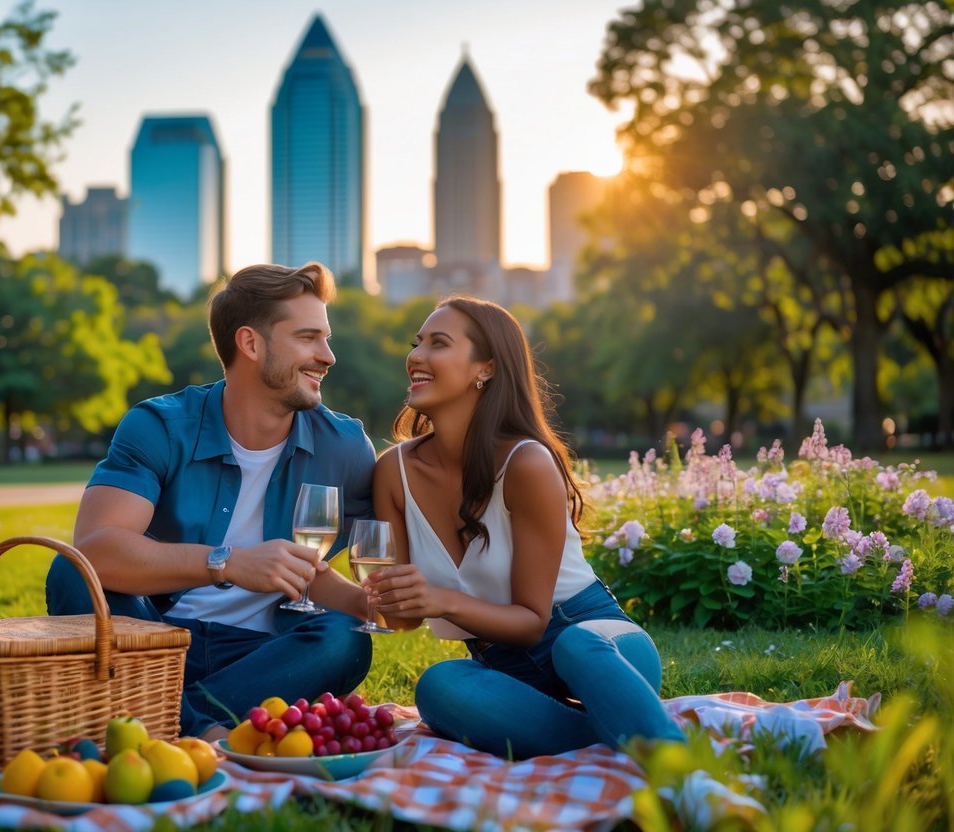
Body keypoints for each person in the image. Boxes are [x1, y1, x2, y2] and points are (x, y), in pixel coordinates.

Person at [46, 262, 376, 741]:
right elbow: (95, 550)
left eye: (326, 338)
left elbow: (372, 579)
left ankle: (158, 718)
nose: (328, 356)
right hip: (152, 636)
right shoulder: (159, 425)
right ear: (250, 343)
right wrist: (227, 563)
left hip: (266, 657)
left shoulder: (343, 445)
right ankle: (203, 727)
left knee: (344, 640)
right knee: (71, 573)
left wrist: (373, 601)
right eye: (308, 338)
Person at [365, 295, 685, 758]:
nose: (416, 356)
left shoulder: (525, 462)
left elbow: (533, 623)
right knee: (438, 684)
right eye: (418, 343)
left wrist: (441, 599)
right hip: (506, 671)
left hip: (599, 645)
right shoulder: (392, 471)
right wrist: (383, 593)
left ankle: (684, 775)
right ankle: (607, 731)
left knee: (575, 644)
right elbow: (402, 619)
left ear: (487, 368)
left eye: (439, 343)